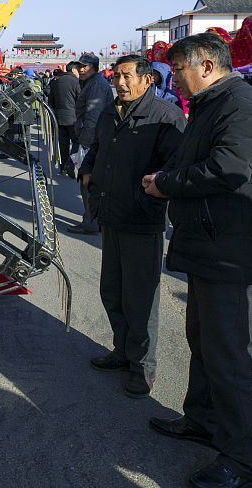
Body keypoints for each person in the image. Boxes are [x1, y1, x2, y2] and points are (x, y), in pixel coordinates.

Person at [142, 33, 252, 488]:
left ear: (206, 66)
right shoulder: (213, 103)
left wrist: (166, 183)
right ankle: (202, 421)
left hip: (237, 256)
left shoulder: (241, 105)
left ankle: (240, 459)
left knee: (228, 357)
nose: (176, 81)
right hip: (214, 248)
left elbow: (228, 169)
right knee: (204, 342)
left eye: (180, 71)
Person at [79, 55, 185, 397]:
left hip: (141, 218)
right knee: (112, 290)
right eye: (116, 76)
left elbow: (175, 167)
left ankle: (143, 367)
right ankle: (122, 351)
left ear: (147, 79)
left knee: (140, 298)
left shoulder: (166, 117)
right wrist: (89, 172)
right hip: (110, 213)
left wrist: (152, 193)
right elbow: (98, 146)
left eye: (126, 77)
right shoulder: (112, 111)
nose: (120, 83)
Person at [70, 52, 114, 234]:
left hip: (92, 140)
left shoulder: (96, 84)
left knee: (88, 182)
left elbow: (93, 116)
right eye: (79, 66)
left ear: (94, 67)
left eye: (85, 66)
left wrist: (86, 143)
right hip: (93, 138)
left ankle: (91, 220)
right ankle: (92, 219)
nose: (81, 69)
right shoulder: (92, 83)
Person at [48, 61, 81, 176]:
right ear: (73, 70)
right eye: (78, 70)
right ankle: (70, 164)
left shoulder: (56, 82)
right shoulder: (77, 82)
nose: (80, 72)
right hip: (73, 119)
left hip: (58, 118)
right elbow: (81, 102)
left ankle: (62, 168)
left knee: (63, 144)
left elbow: (50, 102)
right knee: (77, 142)